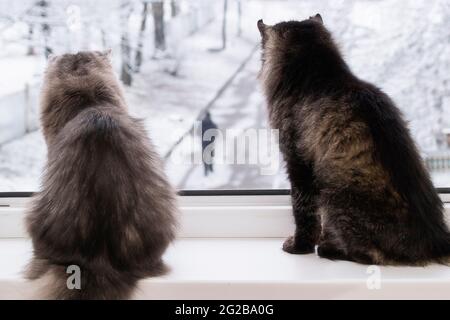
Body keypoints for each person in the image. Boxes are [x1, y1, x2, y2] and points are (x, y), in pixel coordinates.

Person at [201, 111, 218, 176]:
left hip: (204, 142)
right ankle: (210, 168)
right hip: (211, 142)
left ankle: (206, 169)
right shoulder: (212, 124)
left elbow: (198, 132)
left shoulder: (202, 123)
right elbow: (216, 133)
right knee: (210, 156)